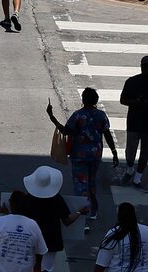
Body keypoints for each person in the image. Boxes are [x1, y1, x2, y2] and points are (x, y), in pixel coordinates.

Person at [47, 87, 118, 230]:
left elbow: (66, 131)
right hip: (95, 155)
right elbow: (107, 134)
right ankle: (93, 211)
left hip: (79, 156)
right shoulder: (101, 115)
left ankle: (83, 218)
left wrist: (52, 117)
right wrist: (114, 152)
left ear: (83, 100)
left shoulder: (78, 116)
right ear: (96, 100)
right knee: (91, 183)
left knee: (81, 185)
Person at [19, 165, 79, 272]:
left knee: (34, 267)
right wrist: (80, 212)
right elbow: (67, 221)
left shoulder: (28, 199)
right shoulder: (56, 199)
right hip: (50, 241)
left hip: (31, 240)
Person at [118, 56, 148, 189]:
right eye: (145, 66)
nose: (147, 69)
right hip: (135, 123)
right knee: (130, 153)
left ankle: (137, 178)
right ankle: (130, 170)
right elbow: (122, 100)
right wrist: (135, 102)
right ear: (141, 66)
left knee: (145, 154)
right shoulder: (132, 81)